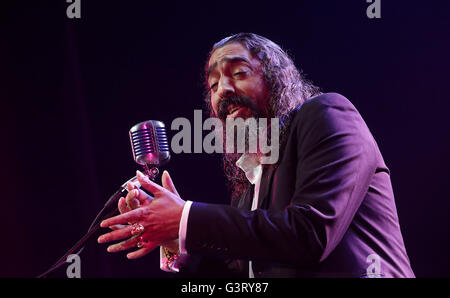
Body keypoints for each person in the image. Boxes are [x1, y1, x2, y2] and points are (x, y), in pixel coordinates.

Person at [97, 33, 415, 278]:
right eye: (213, 84)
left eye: (238, 72)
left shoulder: (328, 114)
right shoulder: (251, 183)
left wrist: (185, 218)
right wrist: (177, 241)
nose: (223, 89)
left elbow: (310, 234)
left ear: (275, 78)